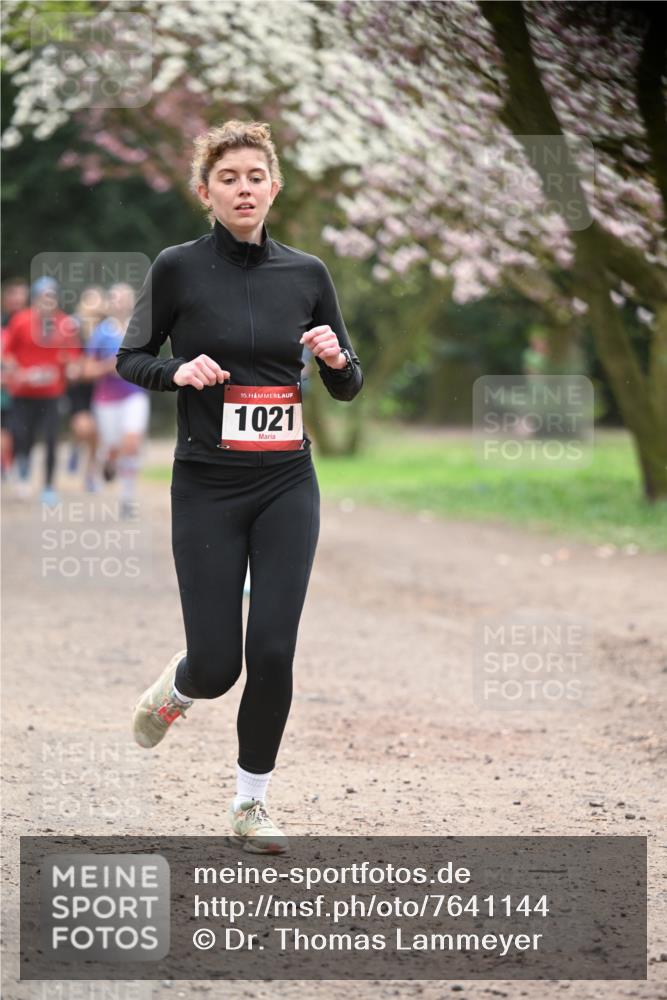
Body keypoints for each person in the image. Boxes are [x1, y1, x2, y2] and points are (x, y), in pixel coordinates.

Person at [116, 120, 363, 853]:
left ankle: (249, 805)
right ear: (206, 192)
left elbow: (348, 385)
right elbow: (130, 357)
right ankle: (180, 688)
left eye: (255, 176)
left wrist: (334, 358)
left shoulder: (308, 274)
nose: (243, 188)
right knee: (219, 664)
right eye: (228, 178)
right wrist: (176, 372)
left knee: (276, 651)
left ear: (274, 187)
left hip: (288, 479)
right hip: (206, 486)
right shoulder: (177, 268)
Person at [3, 276, 80, 505]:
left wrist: (70, 367)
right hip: (23, 392)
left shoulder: (65, 324)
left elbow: (73, 357)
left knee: (50, 439)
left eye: (51, 297)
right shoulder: (21, 320)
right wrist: (18, 371)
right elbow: (7, 354)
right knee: (22, 436)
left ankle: (48, 486)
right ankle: (23, 467)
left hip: (52, 393)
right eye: (42, 297)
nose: (47, 302)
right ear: (35, 299)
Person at [84, 283, 149, 515]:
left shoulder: (141, 329)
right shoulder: (102, 332)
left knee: (131, 444)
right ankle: (105, 463)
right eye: (115, 298)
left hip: (135, 395)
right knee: (112, 448)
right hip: (107, 399)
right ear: (110, 303)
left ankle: (127, 499)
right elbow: (87, 370)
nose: (120, 302)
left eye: (124, 298)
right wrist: (106, 367)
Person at [66, 285, 107, 491]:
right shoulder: (73, 326)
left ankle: (90, 475)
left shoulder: (107, 329)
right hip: (78, 387)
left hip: (100, 386)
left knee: (97, 434)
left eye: (98, 300)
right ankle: (75, 446)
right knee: (84, 428)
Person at [1, 278, 29, 479]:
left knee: (21, 433)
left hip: (26, 388)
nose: (16, 299)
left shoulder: (32, 323)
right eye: (13, 294)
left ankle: (17, 466)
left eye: (20, 294)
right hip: (6, 388)